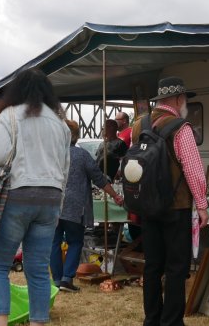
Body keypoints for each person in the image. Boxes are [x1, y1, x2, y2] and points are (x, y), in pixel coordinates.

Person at [0, 69, 70, 326]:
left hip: (17, 192)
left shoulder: (9, 115)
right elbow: (65, 168)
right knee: (38, 269)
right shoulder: (60, 123)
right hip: (51, 198)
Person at [134, 77, 208, 326]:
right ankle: (172, 322)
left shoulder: (139, 124)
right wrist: (202, 205)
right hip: (176, 207)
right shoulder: (181, 127)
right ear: (178, 99)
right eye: (184, 98)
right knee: (176, 268)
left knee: (152, 266)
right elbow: (193, 170)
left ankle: (152, 319)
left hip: (148, 205)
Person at [51, 119, 124, 293]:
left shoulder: (51, 154)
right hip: (75, 206)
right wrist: (115, 195)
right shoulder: (82, 155)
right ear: (76, 136)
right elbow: (99, 179)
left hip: (53, 204)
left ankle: (57, 279)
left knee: (54, 242)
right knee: (75, 241)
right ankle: (67, 279)